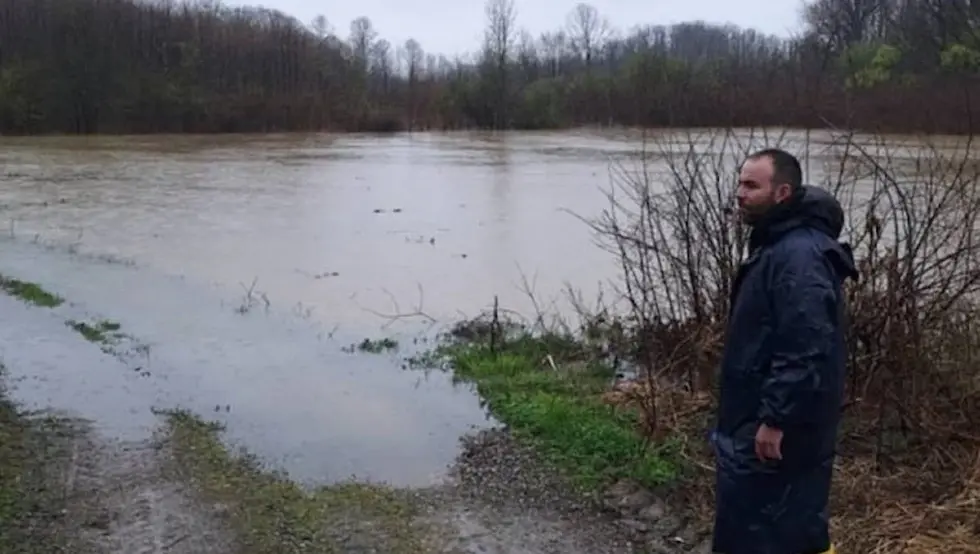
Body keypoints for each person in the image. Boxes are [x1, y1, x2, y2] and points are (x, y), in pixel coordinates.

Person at [710, 148, 857, 554]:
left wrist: (776, 417)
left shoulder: (798, 257)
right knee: (771, 527)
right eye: (739, 182)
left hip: (776, 430)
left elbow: (807, 345)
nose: (739, 194)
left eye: (751, 185)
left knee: (776, 532)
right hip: (756, 419)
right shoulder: (778, 244)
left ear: (782, 192)